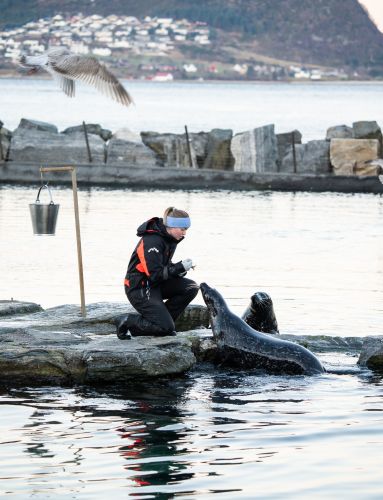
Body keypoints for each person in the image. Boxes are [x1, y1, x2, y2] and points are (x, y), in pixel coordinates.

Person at [116, 207, 199, 339]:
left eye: (186, 229)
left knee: (191, 288)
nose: (184, 233)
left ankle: (165, 324)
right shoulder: (152, 241)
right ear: (171, 226)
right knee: (165, 328)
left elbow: (163, 266)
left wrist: (180, 270)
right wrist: (178, 268)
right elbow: (154, 275)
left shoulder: (170, 238)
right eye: (182, 229)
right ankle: (128, 321)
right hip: (139, 287)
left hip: (155, 284)